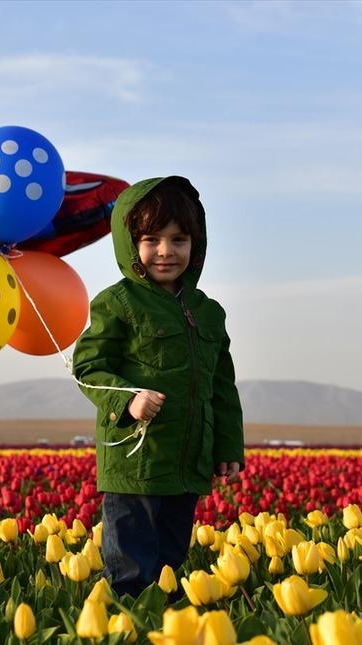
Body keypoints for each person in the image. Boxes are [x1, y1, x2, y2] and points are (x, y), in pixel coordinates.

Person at [72, 175, 244, 598]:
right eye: (151, 239)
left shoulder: (208, 313)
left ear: (196, 244)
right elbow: (88, 366)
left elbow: (221, 385)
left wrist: (227, 448)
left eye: (179, 239)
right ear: (131, 245)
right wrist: (127, 400)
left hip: (186, 468)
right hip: (135, 465)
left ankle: (168, 644)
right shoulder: (118, 303)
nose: (166, 251)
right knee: (132, 571)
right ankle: (132, 643)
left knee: (171, 568)